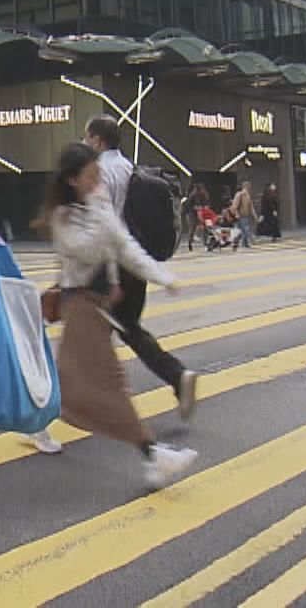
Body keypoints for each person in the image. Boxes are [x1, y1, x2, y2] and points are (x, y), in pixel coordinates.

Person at [44, 142, 201, 490]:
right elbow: (87, 249)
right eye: (91, 176)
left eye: (99, 174)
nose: (99, 181)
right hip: (80, 305)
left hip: (98, 307)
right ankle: (154, 455)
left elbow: (125, 247)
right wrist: (104, 216)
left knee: (77, 383)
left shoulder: (95, 206)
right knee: (109, 387)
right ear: (73, 179)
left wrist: (162, 276)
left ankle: (34, 421)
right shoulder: (63, 217)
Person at [77, 116, 201, 452]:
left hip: (111, 266)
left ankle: (94, 410)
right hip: (133, 262)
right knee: (128, 329)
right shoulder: (130, 169)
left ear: (98, 140)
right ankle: (176, 376)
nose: (85, 143)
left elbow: (105, 226)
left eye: (88, 137)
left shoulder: (99, 173)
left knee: (90, 333)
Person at [180, 183, 209, 251]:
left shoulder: (205, 195)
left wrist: (205, 207)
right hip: (192, 214)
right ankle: (190, 243)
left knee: (206, 227)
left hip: (203, 213)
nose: (202, 191)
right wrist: (195, 208)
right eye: (201, 189)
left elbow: (207, 203)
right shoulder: (192, 195)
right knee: (192, 228)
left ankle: (205, 242)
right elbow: (189, 206)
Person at [231, 182, 256, 250]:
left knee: (242, 229)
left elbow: (251, 206)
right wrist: (236, 213)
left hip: (245, 215)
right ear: (244, 186)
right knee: (244, 229)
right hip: (240, 215)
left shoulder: (248, 196)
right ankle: (249, 240)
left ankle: (244, 243)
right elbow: (235, 205)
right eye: (248, 186)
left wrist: (254, 215)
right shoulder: (239, 195)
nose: (249, 188)